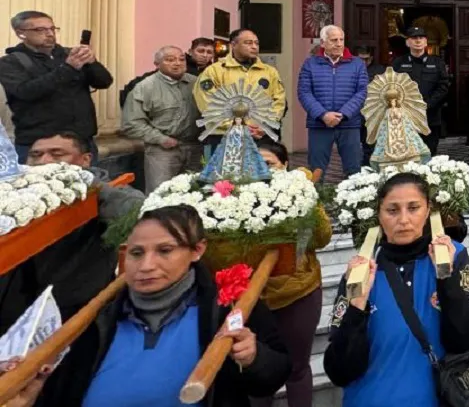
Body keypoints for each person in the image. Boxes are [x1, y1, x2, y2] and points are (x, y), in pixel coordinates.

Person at [22, 205, 290, 407]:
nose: (147, 266)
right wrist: (33, 391)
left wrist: (254, 358)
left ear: (197, 251)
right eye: (137, 253)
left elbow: (273, 376)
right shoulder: (89, 319)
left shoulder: (229, 308)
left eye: (165, 251)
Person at [324, 172, 469, 405]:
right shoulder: (363, 270)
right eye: (392, 210)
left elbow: (462, 338)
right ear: (378, 214)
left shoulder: (451, 255)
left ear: (428, 210)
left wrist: (445, 277)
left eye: (413, 208)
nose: (404, 220)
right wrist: (356, 307)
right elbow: (339, 371)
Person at [0, 132, 144, 333]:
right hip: (16, 312)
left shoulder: (102, 189)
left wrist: (88, 187)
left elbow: (139, 212)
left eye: (57, 154)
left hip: (75, 310)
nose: (45, 161)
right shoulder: (15, 195)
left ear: (85, 160)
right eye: (35, 155)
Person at [239, 141, 333, 407]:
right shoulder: (233, 201)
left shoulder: (300, 195)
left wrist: (306, 199)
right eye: (253, 165)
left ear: (285, 165)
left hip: (298, 291)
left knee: (297, 367)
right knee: (257, 371)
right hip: (253, 298)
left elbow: (322, 238)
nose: (261, 172)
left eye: (268, 164)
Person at [0, 10, 113, 161]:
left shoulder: (69, 54)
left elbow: (104, 82)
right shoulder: (11, 62)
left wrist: (92, 63)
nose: (49, 34)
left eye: (52, 29)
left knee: (90, 184)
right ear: (21, 33)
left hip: (82, 142)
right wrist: (68, 68)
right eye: (40, 30)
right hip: (40, 145)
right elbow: (25, 92)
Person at [121, 45, 203, 191]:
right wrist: (160, 139)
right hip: (162, 151)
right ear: (157, 64)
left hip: (195, 148)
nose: (177, 63)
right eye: (170, 60)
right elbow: (131, 123)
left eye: (181, 59)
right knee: (161, 195)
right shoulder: (145, 87)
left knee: (194, 194)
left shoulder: (197, 83)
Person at [195, 28, 287, 147]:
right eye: (248, 43)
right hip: (225, 137)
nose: (254, 46)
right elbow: (208, 104)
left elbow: (278, 101)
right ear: (233, 45)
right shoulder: (214, 71)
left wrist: (265, 126)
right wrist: (239, 127)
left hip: (260, 136)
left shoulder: (269, 72)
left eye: (256, 43)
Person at [298, 25, 368, 177]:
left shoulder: (357, 64)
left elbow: (362, 92)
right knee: (316, 172)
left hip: (349, 124)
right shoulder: (310, 64)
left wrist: (343, 114)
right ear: (323, 43)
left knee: (354, 171)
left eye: (341, 39)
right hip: (319, 124)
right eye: (334, 40)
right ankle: (317, 200)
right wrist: (323, 115)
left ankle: (355, 201)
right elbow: (304, 93)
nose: (339, 44)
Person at [390, 26, 451, 156]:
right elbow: (391, 86)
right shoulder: (398, 63)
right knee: (406, 155)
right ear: (407, 42)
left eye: (421, 37)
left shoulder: (437, 63)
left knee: (429, 153)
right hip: (405, 117)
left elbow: (443, 87)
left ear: (426, 41)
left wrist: (426, 105)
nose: (418, 41)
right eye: (414, 38)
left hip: (430, 118)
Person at [354, 46, 388, 168]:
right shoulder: (350, 68)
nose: (363, 62)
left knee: (372, 144)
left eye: (366, 59)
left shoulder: (379, 70)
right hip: (355, 112)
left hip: (374, 113)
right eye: (360, 59)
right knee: (354, 144)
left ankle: (371, 167)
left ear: (371, 58)